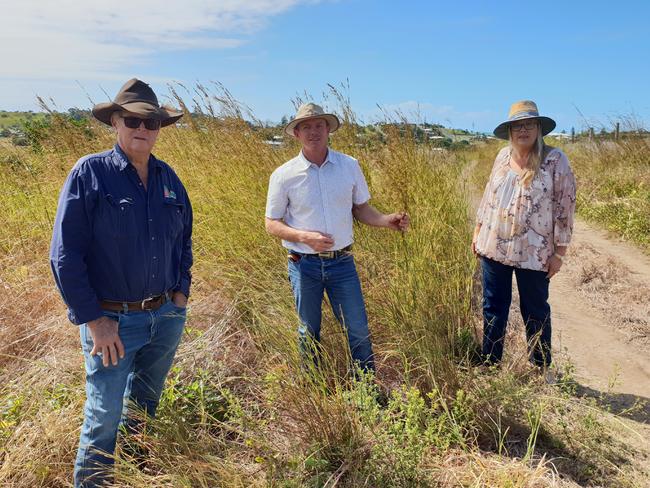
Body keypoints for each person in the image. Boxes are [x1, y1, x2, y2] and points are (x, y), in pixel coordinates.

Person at [50, 78, 192, 487]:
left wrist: (179, 296)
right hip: (113, 323)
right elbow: (64, 255)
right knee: (103, 416)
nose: (143, 129)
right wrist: (95, 321)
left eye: (153, 123)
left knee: (145, 405)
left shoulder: (168, 177)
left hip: (164, 318)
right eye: (133, 120)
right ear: (115, 122)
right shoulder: (89, 173)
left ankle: (135, 475)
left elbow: (184, 239)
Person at [265, 103, 410, 374]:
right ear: (296, 133)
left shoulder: (349, 166)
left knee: (357, 328)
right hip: (302, 265)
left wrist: (385, 220)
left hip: (342, 263)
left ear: (328, 129)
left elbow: (361, 209)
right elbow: (271, 223)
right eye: (306, 127)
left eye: (319, 125)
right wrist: (303, 236)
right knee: (308, 330)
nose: (313, 132)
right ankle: (312, 389)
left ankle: (366, 388)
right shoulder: (283, 175)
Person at [472, 100, 576, 376]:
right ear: (509, 130)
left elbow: (565, 207)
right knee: (493, 305)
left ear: (539, 128)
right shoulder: (501, 158)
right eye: (517, 125)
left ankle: (541, 368)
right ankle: (491, 364)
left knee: (535, 309)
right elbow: (488, 197)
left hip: (535, 251)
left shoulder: (555, 160)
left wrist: (560, 252)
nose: (523, 130)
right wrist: (478, 230)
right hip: (494, 245)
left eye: (529, 124)